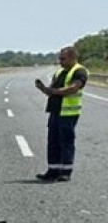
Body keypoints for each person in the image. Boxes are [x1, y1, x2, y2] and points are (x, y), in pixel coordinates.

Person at [35, 46, 88, 182]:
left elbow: (72, 88)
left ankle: (65, 171)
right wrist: (43, 88)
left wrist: (53, 91)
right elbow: (51, 90)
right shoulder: (59, 72)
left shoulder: (80, 71)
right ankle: (53, 170)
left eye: (63, 58)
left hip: (68, 113)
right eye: (59, 58)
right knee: (53, 142)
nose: (60, 61)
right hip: (55, 111)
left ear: (72, 57)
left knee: (66, 142)